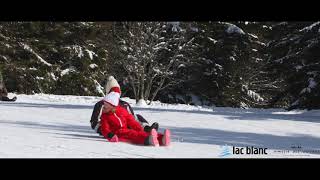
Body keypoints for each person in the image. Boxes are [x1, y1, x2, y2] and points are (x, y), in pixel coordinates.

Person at [90, 76, 159, 135]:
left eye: (117, 92)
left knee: (137, 117)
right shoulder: (101, 104)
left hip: (126, 126)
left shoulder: (124, 104)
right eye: (113, 92)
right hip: (111, 130)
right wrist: (106, 131)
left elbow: (132, 118)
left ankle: (147, 129)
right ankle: (143, 134)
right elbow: (94, 122)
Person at [100, 91, 171, 146]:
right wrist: (110, 135)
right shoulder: (105, 115)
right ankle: (149, 140)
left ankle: (162, 139)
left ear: (113, 105)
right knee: (133, 134)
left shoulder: (122, 111)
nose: (104, 106)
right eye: (104, 103)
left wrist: (139, 128)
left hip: (125, 130)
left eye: (106, 104)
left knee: (140, 132)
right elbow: (104, 128)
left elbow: (131, 121)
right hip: (117, 133)